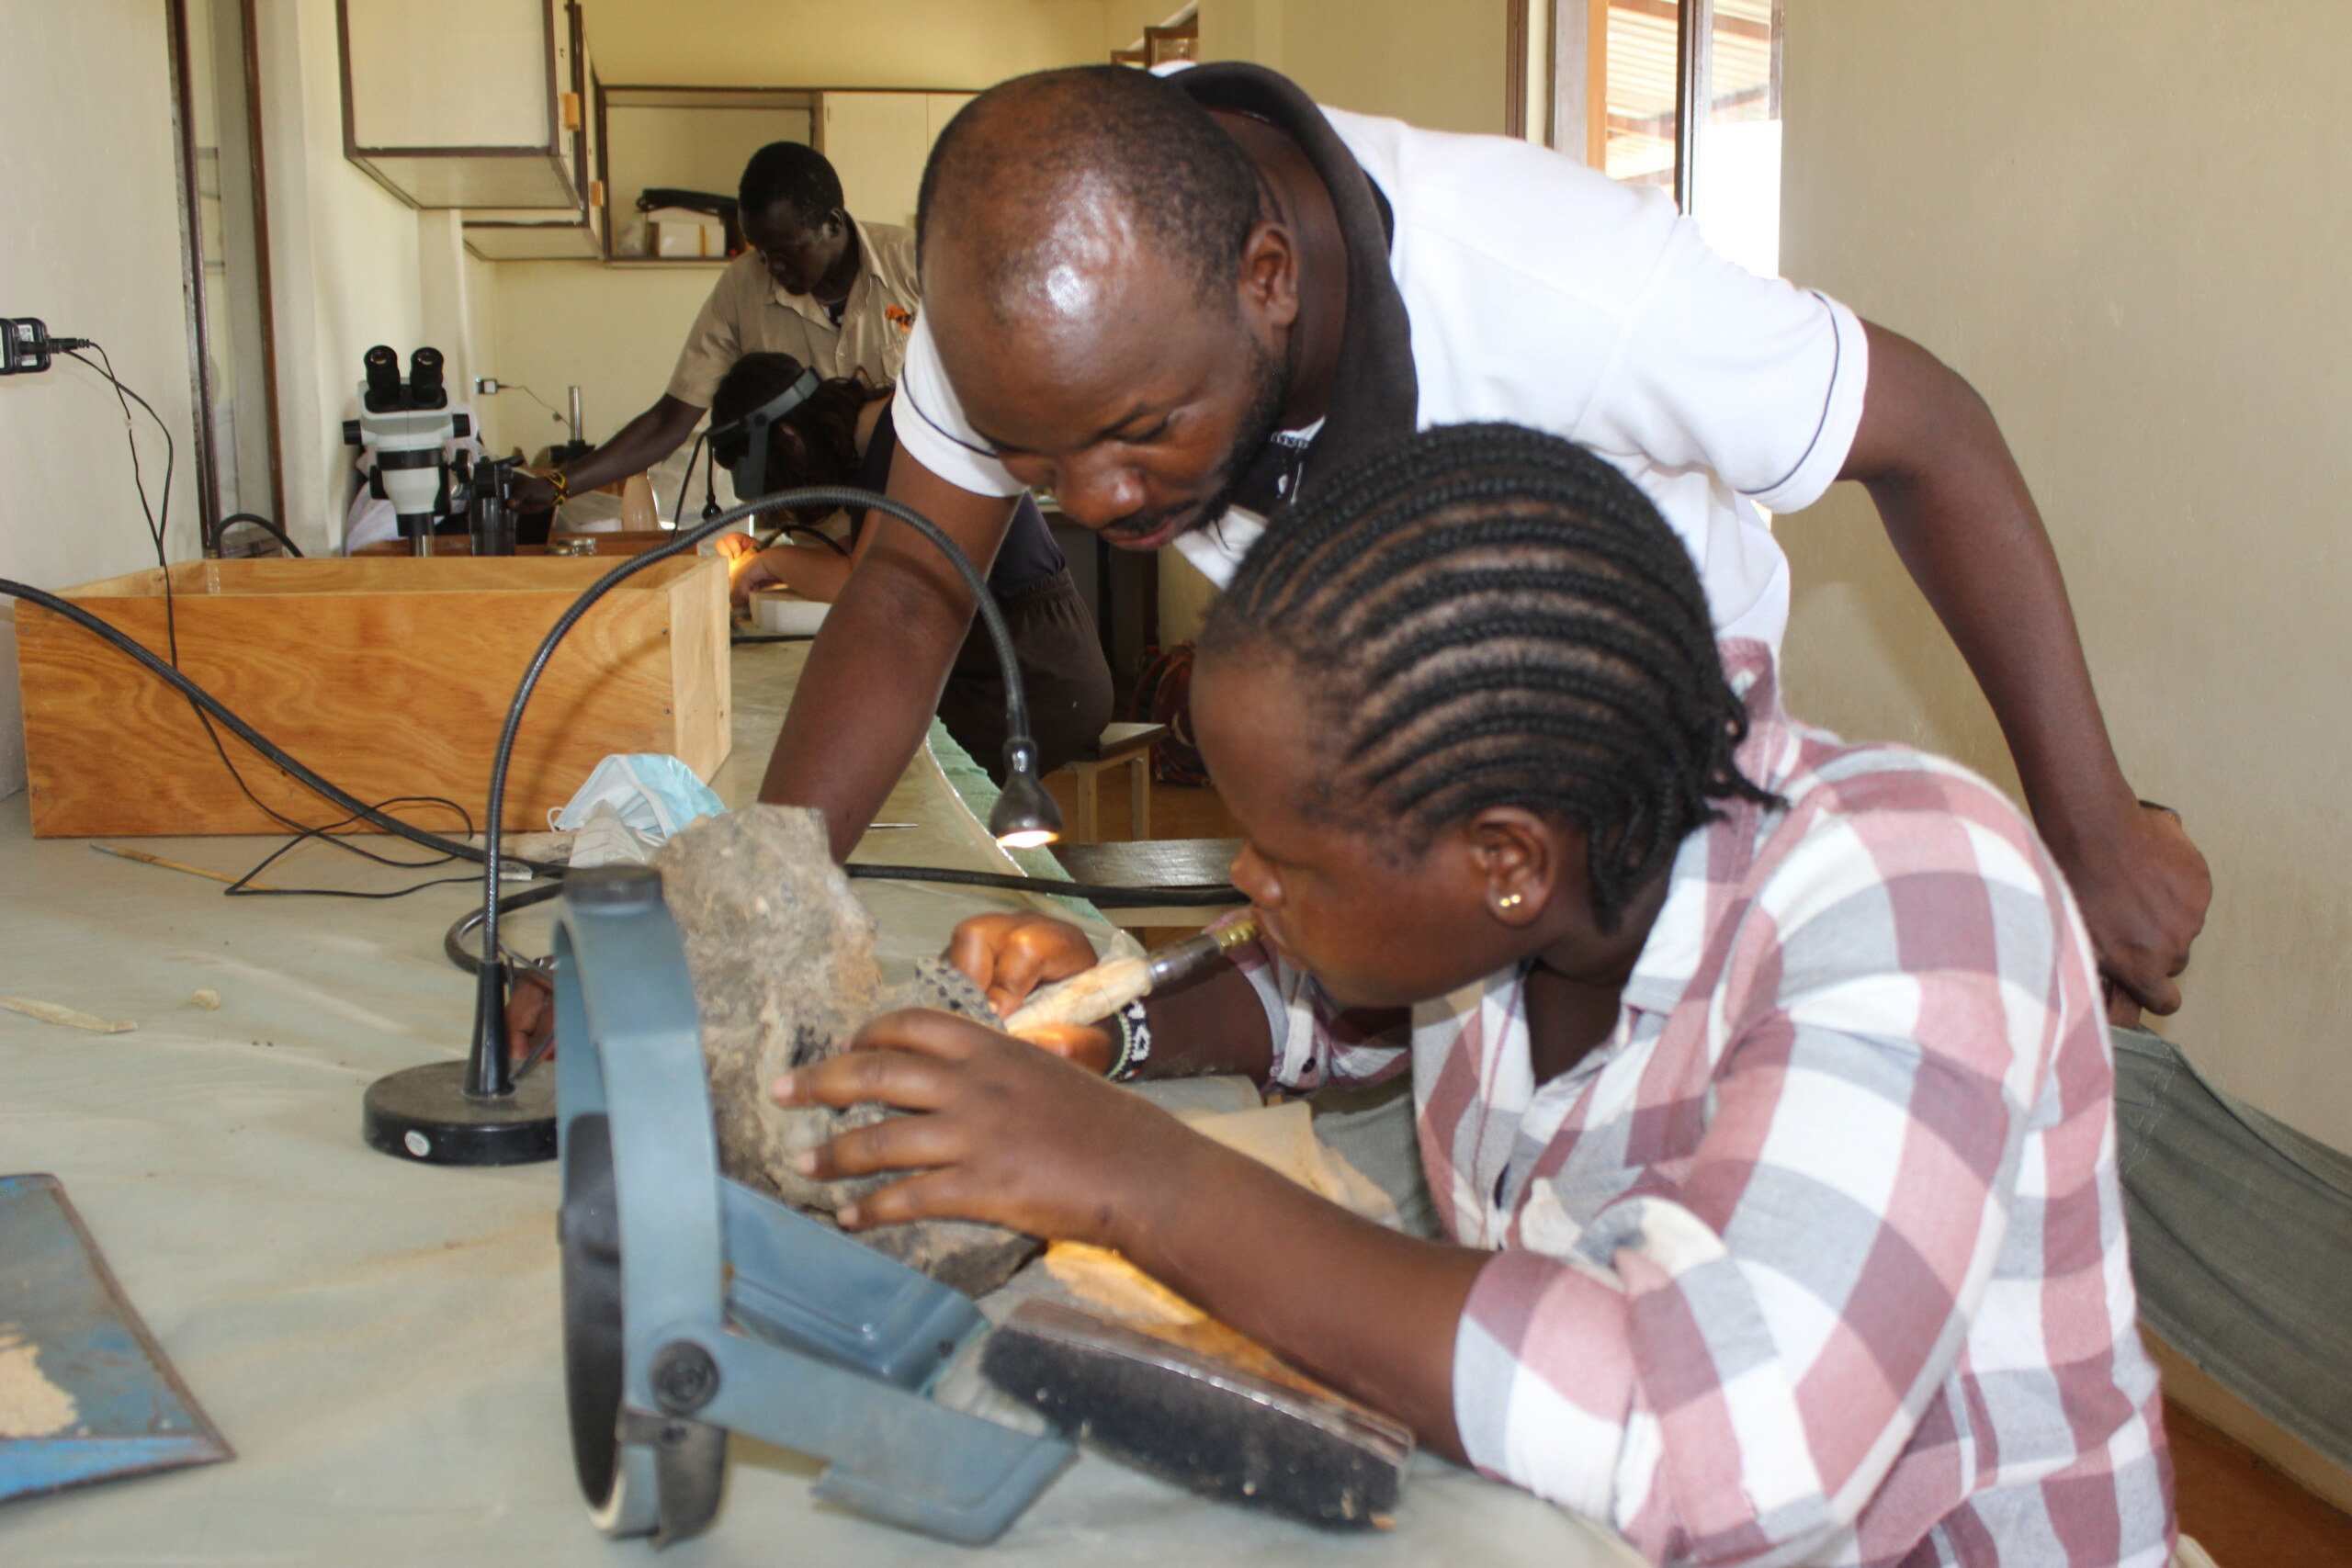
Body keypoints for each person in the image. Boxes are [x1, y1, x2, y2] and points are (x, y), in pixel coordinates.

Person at [779, 425, 2176, 1567]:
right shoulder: (1550, 863)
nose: (1248, 885)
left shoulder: (1917, 891)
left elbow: (1723, 1453)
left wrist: (1137, 1180)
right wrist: (1113, 1025)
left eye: (1290, 860)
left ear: (1504, 862)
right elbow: (1336, 991)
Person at [757, 62, 2209, 1029]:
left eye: (1140, 431)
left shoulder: (1558, 282)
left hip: (1659, 822)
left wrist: (2091, 830)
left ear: (1268, 279)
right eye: (1033, 459)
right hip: (1408, 830)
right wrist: (760, 912)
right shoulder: (1022, 322)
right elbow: (906, 593)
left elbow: (1928, 429)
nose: (1086, 500)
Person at [707, 351, 1113, 780]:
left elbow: (863, 578)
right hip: (1012, 658)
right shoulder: (888, 434)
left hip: (1035, 673)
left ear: (791, 438)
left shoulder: (909, 436)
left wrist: (772, 560)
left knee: (880, 766)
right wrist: (766, 559)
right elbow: (874, 550)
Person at [511, 141, 920, 514]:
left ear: (831, 224)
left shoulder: (918, 267)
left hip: (912, 513)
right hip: (814, 531)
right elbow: (670, 420)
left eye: (784, 252)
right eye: (761, 252)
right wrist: (558, 485)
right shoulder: (742, 287)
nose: (772, 268)